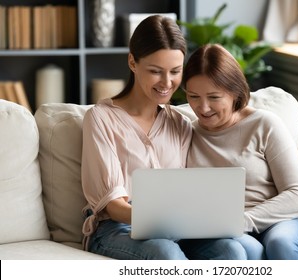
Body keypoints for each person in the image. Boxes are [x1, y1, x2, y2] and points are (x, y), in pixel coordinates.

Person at [81, 15, 256, 260]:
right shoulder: (101, 118)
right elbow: (113, 205)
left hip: (175, 228)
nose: (167, 82)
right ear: (133, 62)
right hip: (117, 229)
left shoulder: (180, 123)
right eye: (155, 71)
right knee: (166, 253)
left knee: (231, 250)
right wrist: (162, 218)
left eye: (175, 71)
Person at [181, 44, 298, 260]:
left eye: (214, 97)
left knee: (281, 244)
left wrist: (243, 221)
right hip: (226, 228)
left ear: (235, 92)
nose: (203, 107)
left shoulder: (264, 124)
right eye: (193, 96)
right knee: (248, 252)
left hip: (284, 220)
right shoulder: (187, 133)